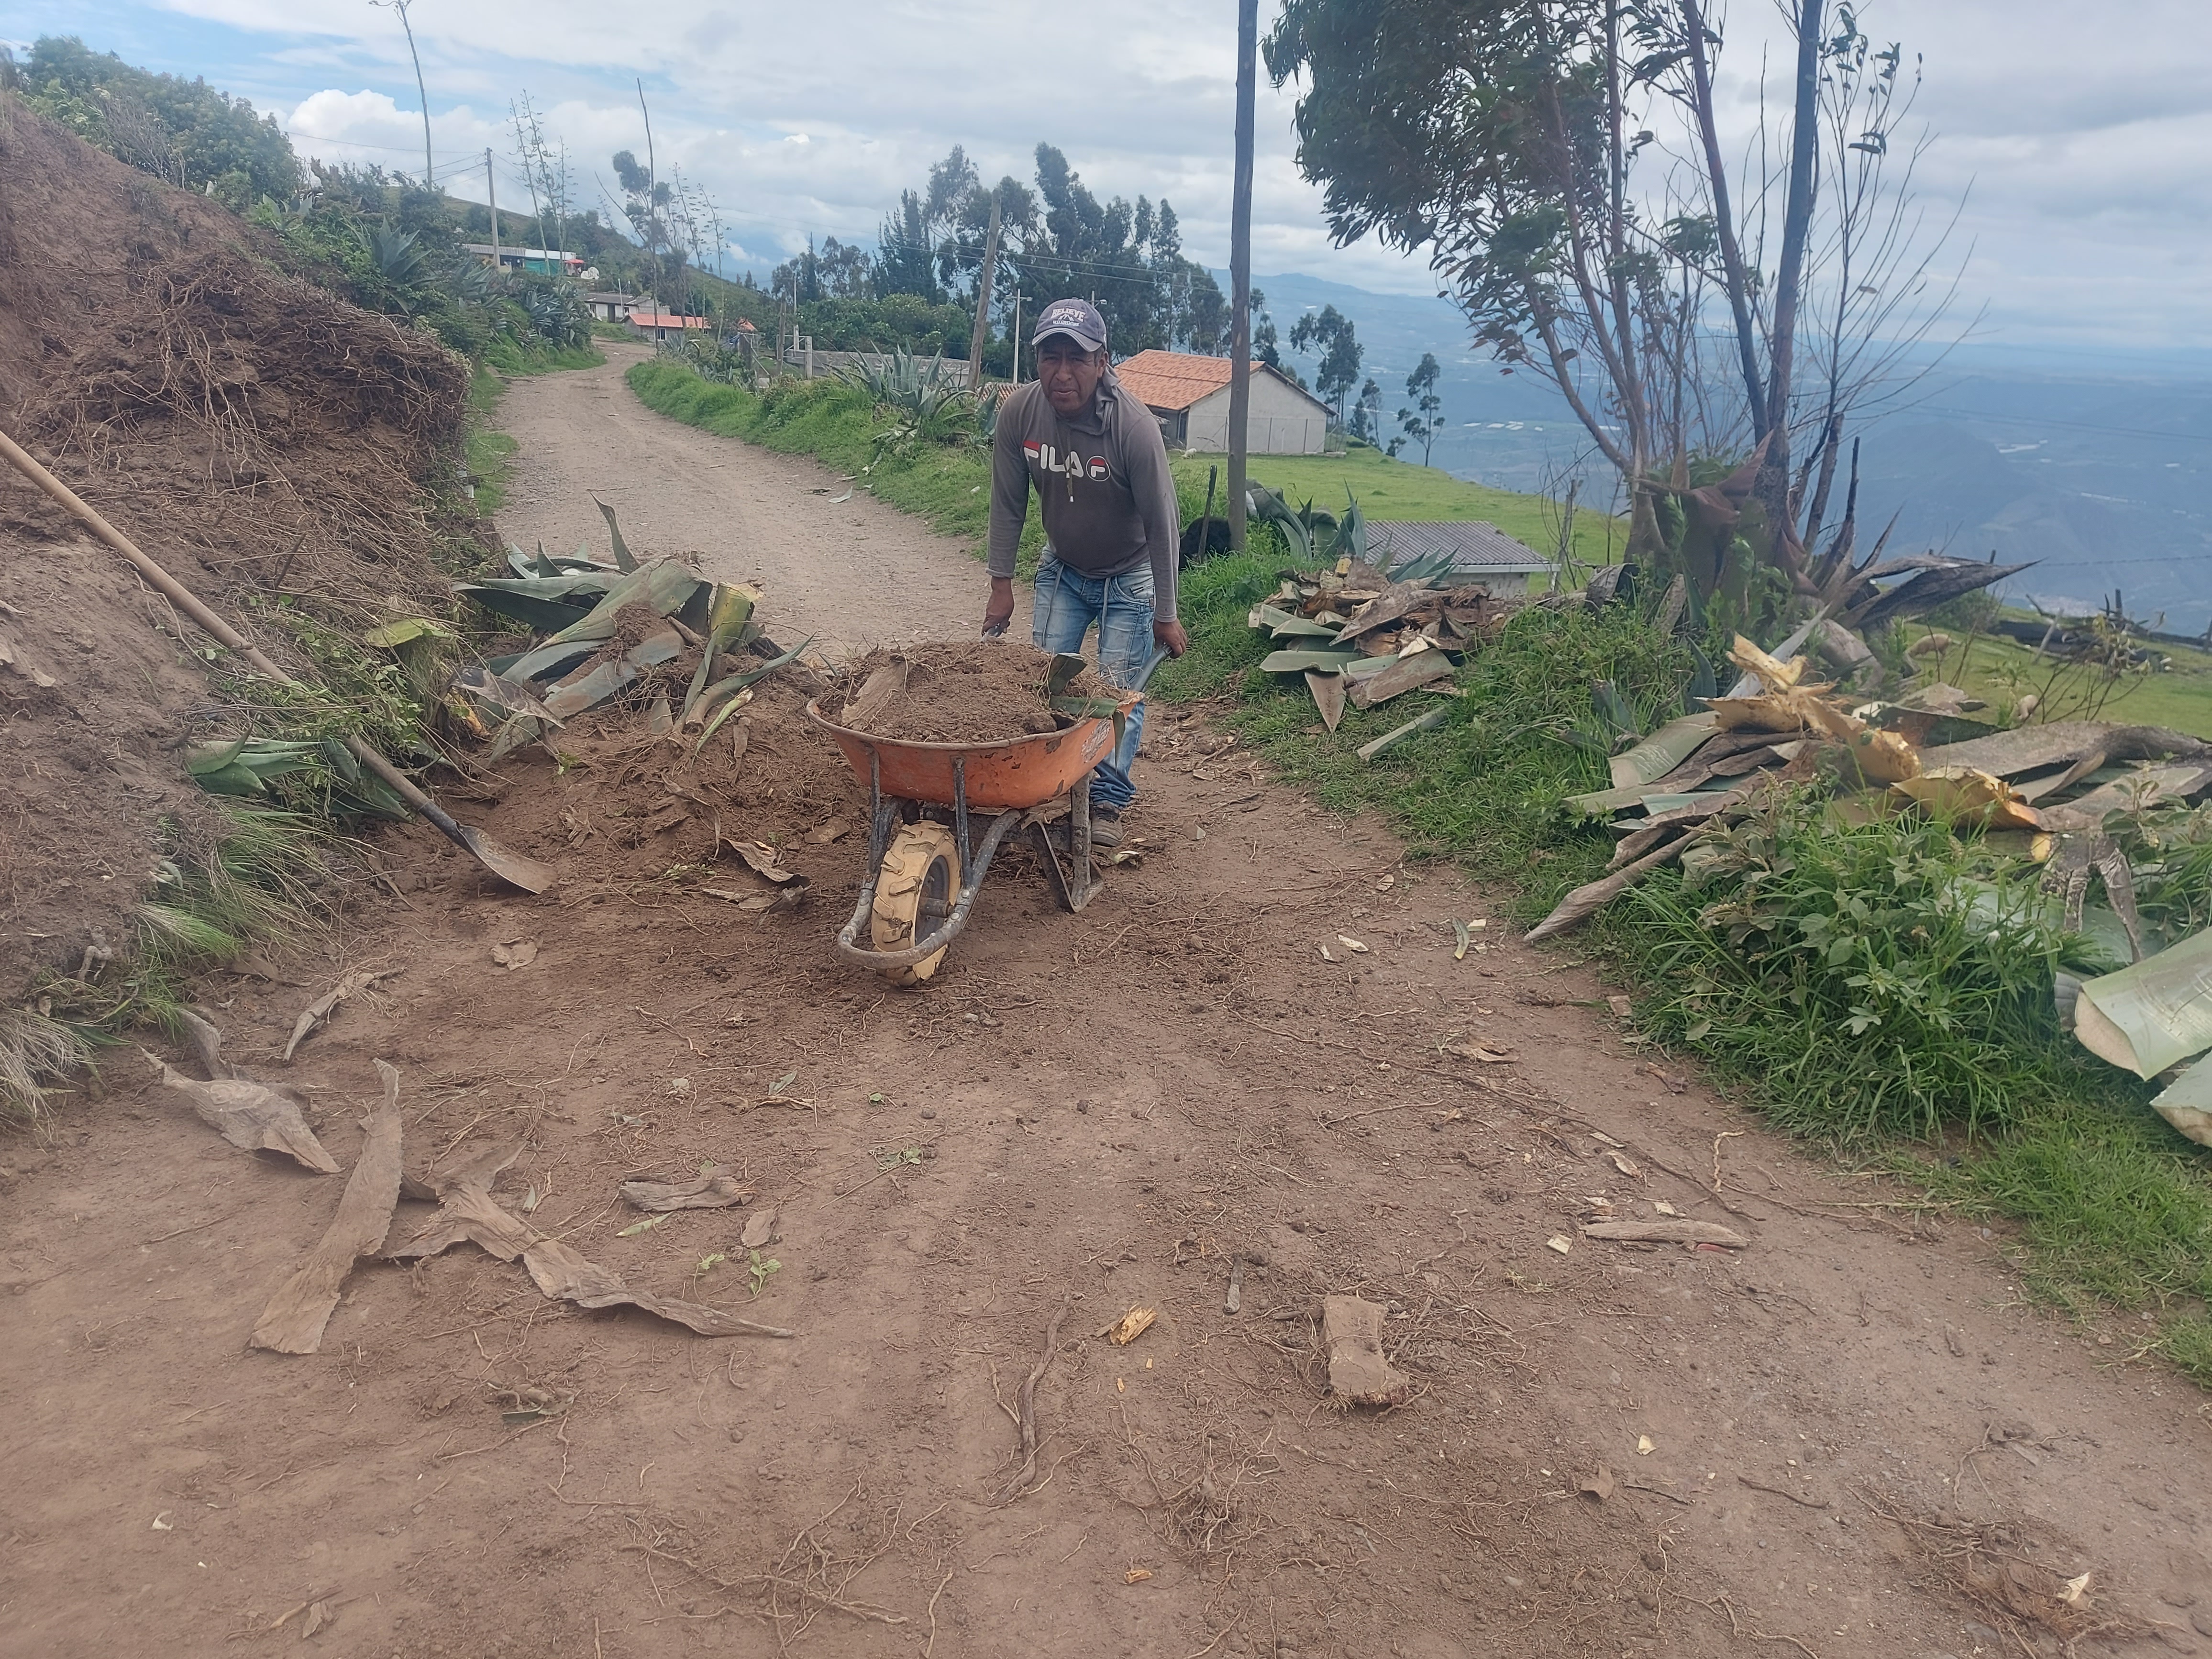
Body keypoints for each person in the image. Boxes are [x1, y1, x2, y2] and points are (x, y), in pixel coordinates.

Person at [984, 299, 1188, 829]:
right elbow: (1007, 505)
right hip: (1064, 570)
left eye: (1076, 359)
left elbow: (1163, 525)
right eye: (1050, 357)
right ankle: (1048, 783)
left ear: (1102, 362)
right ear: (1036, 361)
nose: (1062, 373)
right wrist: (1001, 584)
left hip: (1130, 575)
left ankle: (1107, 802)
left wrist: (1166, 613)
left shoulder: (1133, 428)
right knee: (1045, 681)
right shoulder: (1020, 414)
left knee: (1117, 696)